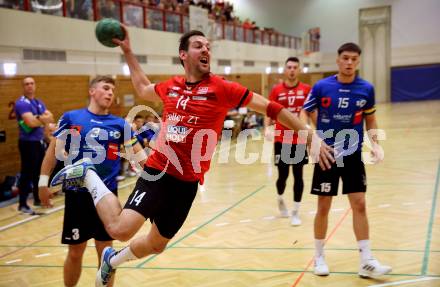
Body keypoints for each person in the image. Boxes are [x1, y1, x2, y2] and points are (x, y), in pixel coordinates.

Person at [50, 29, 334, 287]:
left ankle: (111, 261)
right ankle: (89, 174)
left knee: (156, 244)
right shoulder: (171, 86)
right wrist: (128, 52)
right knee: (120, 229)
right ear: (184, 55)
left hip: (187, 183)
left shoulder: (223, 88)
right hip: (158, 171)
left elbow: (273, 108)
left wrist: (311, 136)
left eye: (208, 46)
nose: (206, 49)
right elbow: (142, 88)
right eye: (199, 45)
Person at [38, 75, 145, 287]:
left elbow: (141, 158)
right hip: (77, 196)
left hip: (107, 199)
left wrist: (158, 178)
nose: (110, 93)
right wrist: (43, 183)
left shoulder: (120, 124)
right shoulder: (71, 118)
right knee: (75, 252)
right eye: (105, 88)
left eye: (112, 90)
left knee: (106, 255)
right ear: (92, 91)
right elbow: (53, 151)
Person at [302, 42, 391, 278]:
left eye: (354, 59)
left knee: (359, 204)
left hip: (352, 154)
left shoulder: (366, 89)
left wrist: (376, 144)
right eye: (345, 58)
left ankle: (366, 260)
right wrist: (312, 140)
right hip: (327, 154)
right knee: (324, 206)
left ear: (358, 62)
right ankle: (319, 256)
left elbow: (370, 119)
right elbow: (305, 111)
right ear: (338, 60)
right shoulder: (322, 86)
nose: (349, 63)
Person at [264, 57, 311, 226]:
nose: (292, 70)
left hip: (299, 139)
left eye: (295, 67)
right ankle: (280, 198)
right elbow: (269, 111)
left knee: (298, 174)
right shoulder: (276, 90)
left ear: (299, 70)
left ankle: (296, 212)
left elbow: (311, 112)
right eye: (289, 67)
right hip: (281, 138)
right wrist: (267, 128)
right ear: (285, 70)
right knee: (283, 175)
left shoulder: (306, 90)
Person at [14, 77, 53, 213]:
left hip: (39, 142)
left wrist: (39, 119)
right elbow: (30, 123)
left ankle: (38, 198)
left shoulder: (38, 102)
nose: (29, 86)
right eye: (26, 84)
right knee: (27, 173)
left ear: (35, 85)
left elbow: (50, 118)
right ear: (23, 87)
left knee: (40, 172)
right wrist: (42, 119)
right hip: (27, 143)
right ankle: (22, 203)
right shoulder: (21, 103)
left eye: (31, 83)